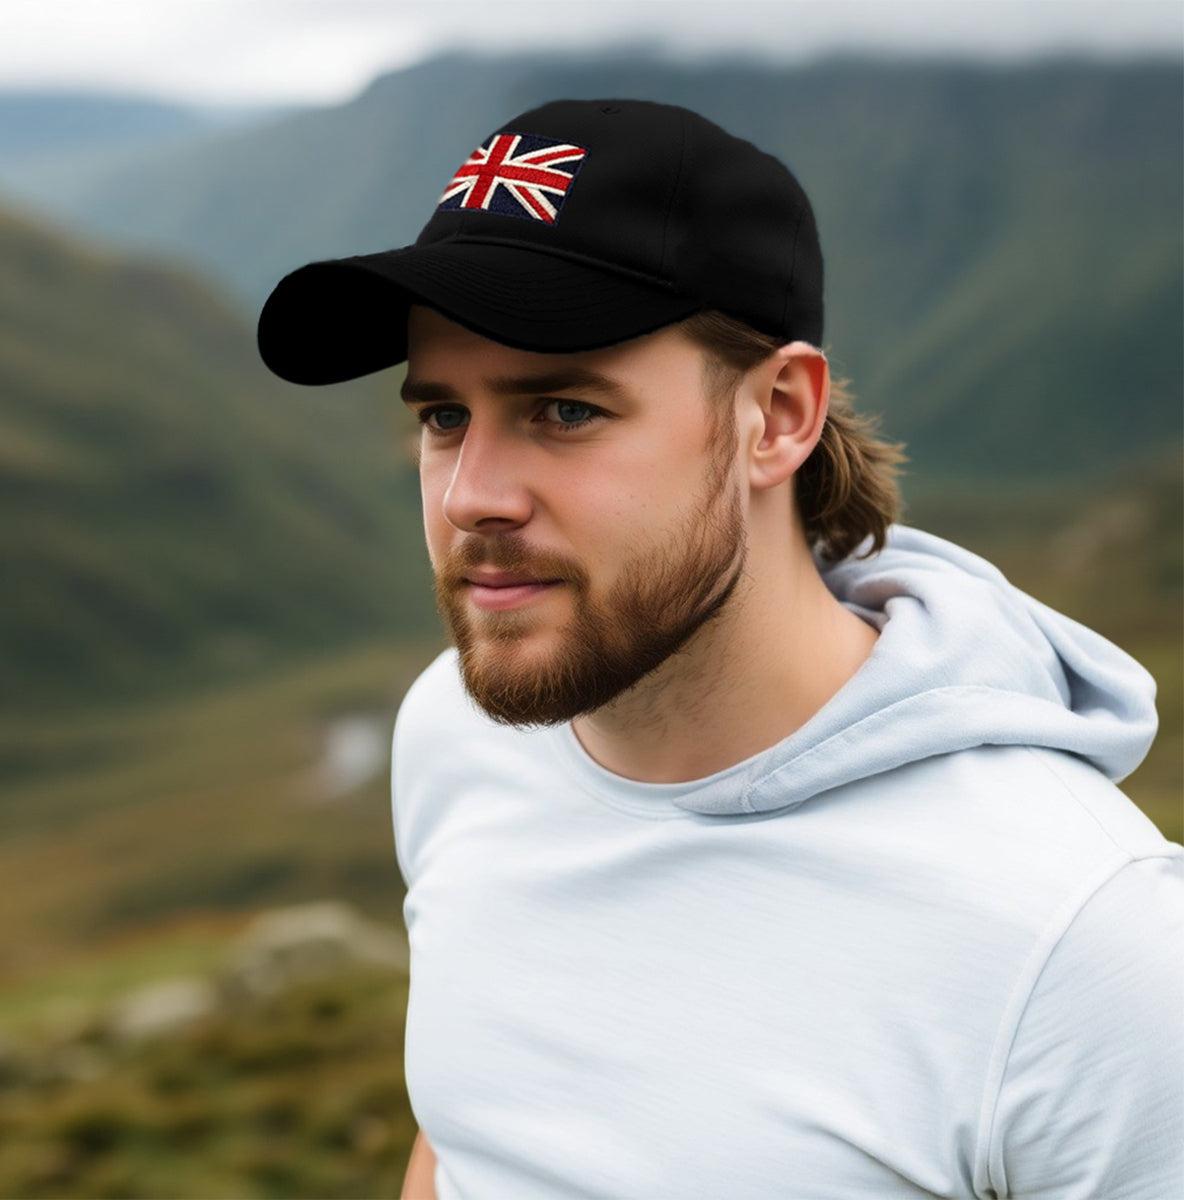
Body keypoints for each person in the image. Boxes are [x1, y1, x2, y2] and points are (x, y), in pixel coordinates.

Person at [258, 99, 1183, 1200]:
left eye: (563, 411)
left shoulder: (1084, 941)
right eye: (444, 417)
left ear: (779, 415)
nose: (472, 497)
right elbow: (472, 1131)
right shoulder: (458, 729)